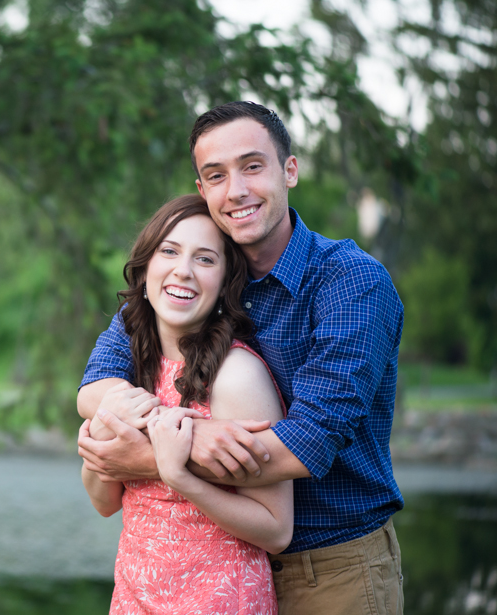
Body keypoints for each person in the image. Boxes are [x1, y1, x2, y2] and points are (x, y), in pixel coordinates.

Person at [77, 101, 405, 615]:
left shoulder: (350, 283)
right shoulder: (196, 292)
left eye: (252, 166)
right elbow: (96, 385)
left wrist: (150, 458)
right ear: (203, 189)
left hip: (332, 569)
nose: (237, 190)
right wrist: (185, 428)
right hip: (214, 565)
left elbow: (303, 447)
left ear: (289, 170)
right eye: (216, 175)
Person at [81, 194, 292, 614]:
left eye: (205, 260)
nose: (184, 271)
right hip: (135, 595)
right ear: (145, 270)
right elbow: (104, 503)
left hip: (219, 599)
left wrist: (181, 477)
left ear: (225, 283)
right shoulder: (131, 371)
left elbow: (276, 529)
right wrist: (107, 433)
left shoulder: (236, 376)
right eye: (170, 251)